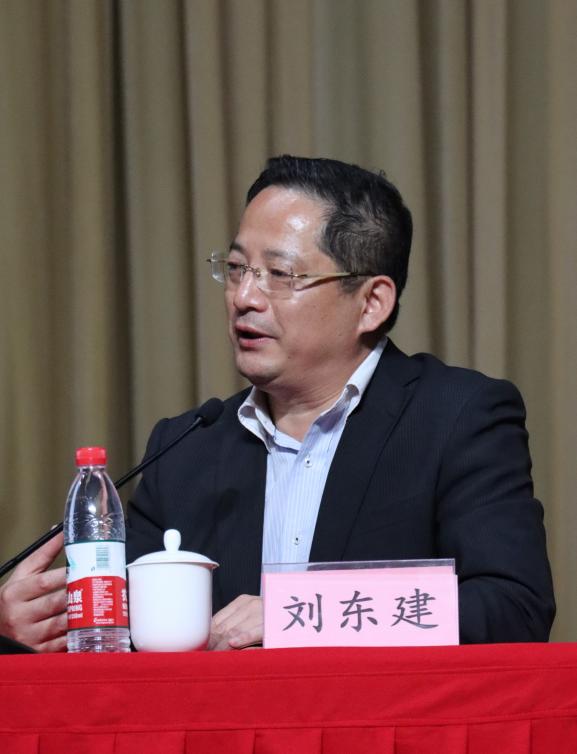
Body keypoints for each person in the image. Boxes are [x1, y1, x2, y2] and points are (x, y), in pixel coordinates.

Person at [0, 155, 555, 651]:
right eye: (237, 269)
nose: (244, 297)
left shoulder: (457, 417)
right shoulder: (186, 448)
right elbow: (122, 637)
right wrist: (40, 628)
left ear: (372, 303)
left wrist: (300, 615)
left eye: (281, 275)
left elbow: (512, 607)